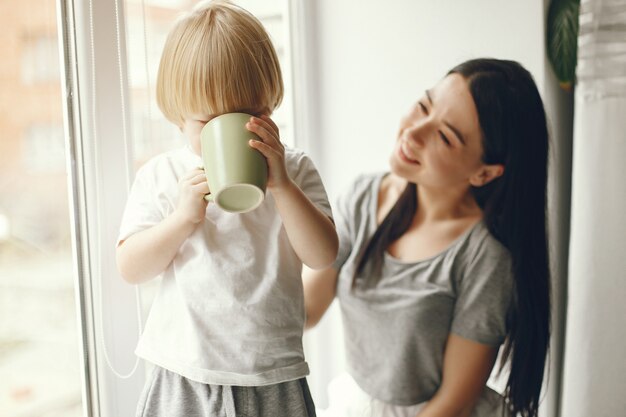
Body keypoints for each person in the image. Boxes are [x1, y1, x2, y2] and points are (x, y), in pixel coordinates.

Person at [116, 2, 338, 416]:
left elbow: (324, 255)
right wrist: (181, 220)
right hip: (183, 375)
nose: (230, 130)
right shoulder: (163, 175)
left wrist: (283, 187)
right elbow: (131, 267)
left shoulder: (294, 170)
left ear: (271, 108)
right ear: (178, 117)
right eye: (208, 123)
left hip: (273, 376)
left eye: (251, 115)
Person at [304, 58, 551, 417]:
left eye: (445, 136)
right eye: (423, 106)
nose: (414, 132)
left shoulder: (484, 257)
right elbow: (306, 311)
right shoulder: (362, 199)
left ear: (484, 173)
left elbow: (453, 401)